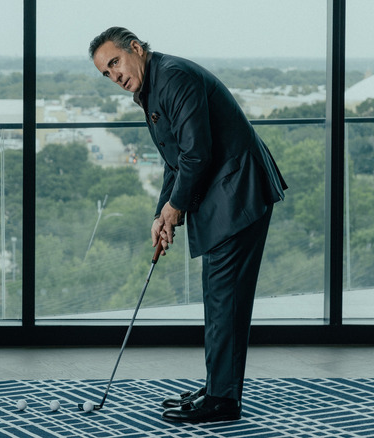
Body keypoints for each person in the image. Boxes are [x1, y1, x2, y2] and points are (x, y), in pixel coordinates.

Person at [88, 27, 287, 423]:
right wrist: (163, 214)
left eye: (115, 62)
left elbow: (197, 154)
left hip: (238, 193)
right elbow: (175, 160)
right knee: (218, 298)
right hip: (223, 195)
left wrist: (176, 211)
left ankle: (223, 401)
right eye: (106, 74)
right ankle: (219, 385)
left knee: (224, 300)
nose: (115, 76)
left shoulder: (173, 76)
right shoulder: (151, 87)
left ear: (136, 49)